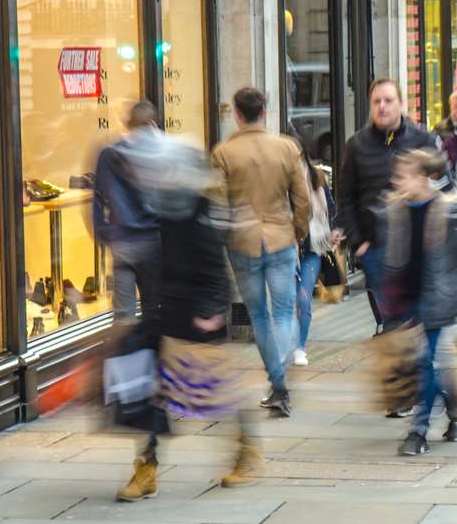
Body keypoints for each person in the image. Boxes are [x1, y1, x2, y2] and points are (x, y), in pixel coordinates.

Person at [116, 146, 262, 501]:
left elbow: (216, 268)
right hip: (163, 312)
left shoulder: (200, 212)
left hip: (199, 318)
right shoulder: (160, 209)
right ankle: (147, 467)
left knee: (216, 393)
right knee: (150, 391)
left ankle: (247, 454)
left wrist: (212, 311)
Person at [378, 150, 457, 455]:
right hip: (406, 299)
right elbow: (390, 260)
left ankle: (418, 431)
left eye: (404, 176)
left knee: (426, 363)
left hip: (439, 300)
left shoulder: (450, 211)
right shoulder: (395, 211)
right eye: (396, 176)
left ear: (426, 177)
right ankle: (455, 412)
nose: (397, 182)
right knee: (426, 365)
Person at [212, 87, 311, 417]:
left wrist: (225, 238)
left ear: (237, 114)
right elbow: (303, 200)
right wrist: (298, 232)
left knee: (258, 315)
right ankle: (280, 375)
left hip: (243, 243)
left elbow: (218, 204)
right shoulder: (286, 148)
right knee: (283, 311)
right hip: (280, 237)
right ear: (264, 112)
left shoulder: (224, 153)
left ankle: (278, 383)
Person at [336, 79, 435, 334]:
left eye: (388, 100)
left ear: (401, 104)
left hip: (418, 246)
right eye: (376, 101)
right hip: (376, 249)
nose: (382, 106)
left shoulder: (422, 140)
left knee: (422, 316)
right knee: (392, 321)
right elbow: (345, 197)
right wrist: (359, 243)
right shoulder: (356, 145)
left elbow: (440, 187)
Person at [93, 101, 163, 326]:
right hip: (152, 239)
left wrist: (104, 233)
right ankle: (151, 346)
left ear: (129, 124)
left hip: (122, 241)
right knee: (154, 306)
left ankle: (126, 346)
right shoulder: (159, 155)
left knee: (124, 314)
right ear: (152, 125)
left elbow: (98, 198)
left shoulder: (108, 155)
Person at [287, 125, 338, 367]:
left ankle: (300, 347)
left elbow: (332, 209)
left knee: (304, 297)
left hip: (311, 250)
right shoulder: (280, 179)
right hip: (285, 248)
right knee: (285, 302)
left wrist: (331, 231)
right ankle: (286, 345)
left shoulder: (316, 176)